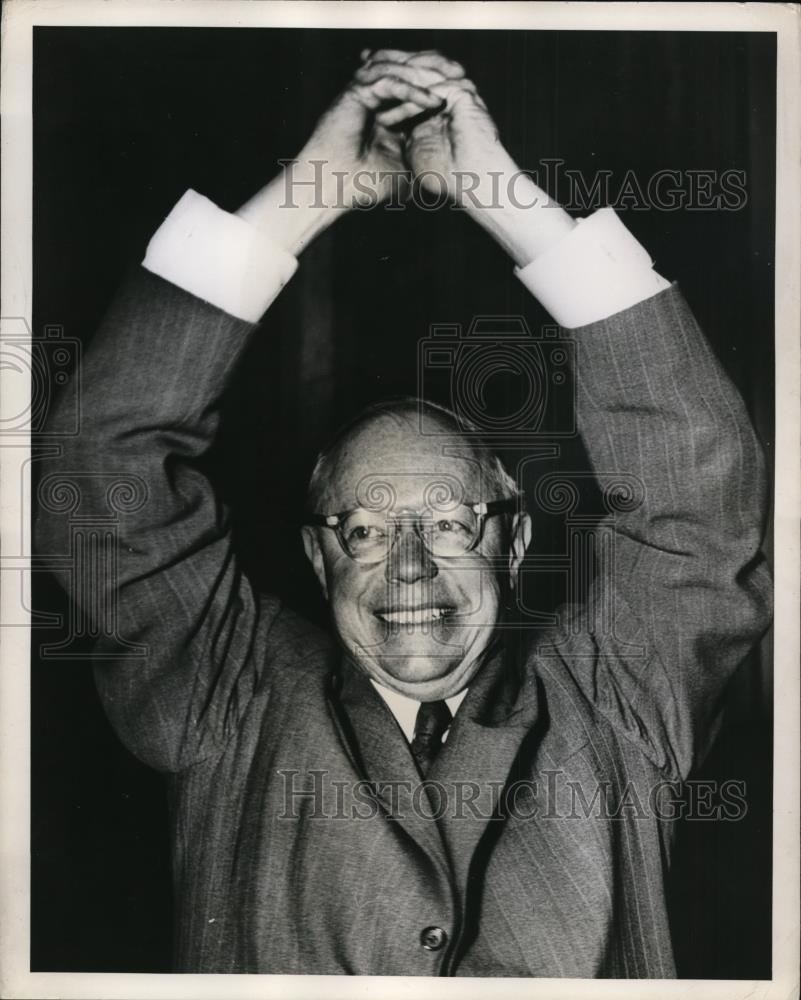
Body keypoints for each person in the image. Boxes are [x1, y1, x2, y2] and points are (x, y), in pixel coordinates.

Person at [35, 49, 772, 977]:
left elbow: (697, 498)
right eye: (367, 532)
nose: (411, 570)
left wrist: (498, 194)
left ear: (514, 542)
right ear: (318, 558)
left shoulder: (617, 699)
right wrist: (311, 190)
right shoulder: (227, 698)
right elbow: (96, 467)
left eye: (452, 524)